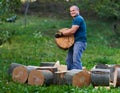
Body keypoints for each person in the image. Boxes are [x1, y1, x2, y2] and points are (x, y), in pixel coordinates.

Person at [55, 5, 87, 70]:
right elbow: (71, 32)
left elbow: (72, 31)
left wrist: (61, 34)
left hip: (80, 42)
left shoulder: (78, 18)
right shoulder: (75, 19)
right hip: (74, 42)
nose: (72, 12)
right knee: (69, 60)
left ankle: (78, 76)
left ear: (78, 11)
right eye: (70, 11)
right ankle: (70, 76)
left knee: (76, 60)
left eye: (73, 10)